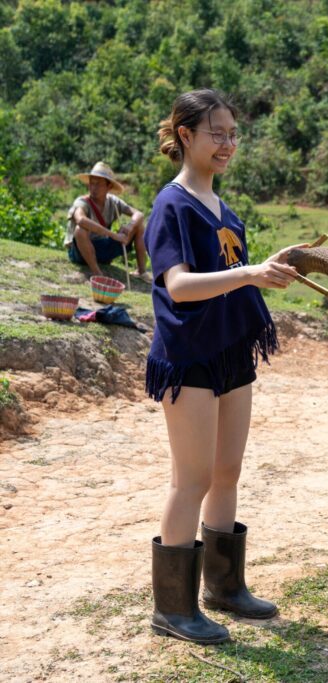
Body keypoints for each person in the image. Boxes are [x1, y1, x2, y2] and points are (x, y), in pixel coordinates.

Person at [145, 89, 306, 644]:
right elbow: (179, 286)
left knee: (226, 473)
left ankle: (224, 586)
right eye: (217, 133)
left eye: (234, 134)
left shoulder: (225, 211)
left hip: (231, 353)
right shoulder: (172, 205)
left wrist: (264, 269)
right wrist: (249, 274)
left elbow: (235, 275)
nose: (228, 144)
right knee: (191, 479)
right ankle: (172, 609)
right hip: (189, 355)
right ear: (185, 135)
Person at [65, 161, 148, 278]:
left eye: (98, 184)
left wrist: (130, 226)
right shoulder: (82, 202)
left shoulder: (113, 202)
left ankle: (141, 272)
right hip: (80, 252)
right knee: (80, 230)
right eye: (92, 183)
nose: (93, 188)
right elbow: (81, 220)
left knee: (138, 226)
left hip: (103, 247)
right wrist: (114, 235)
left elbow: (139, 214)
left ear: (109, 186)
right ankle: (97, 273)